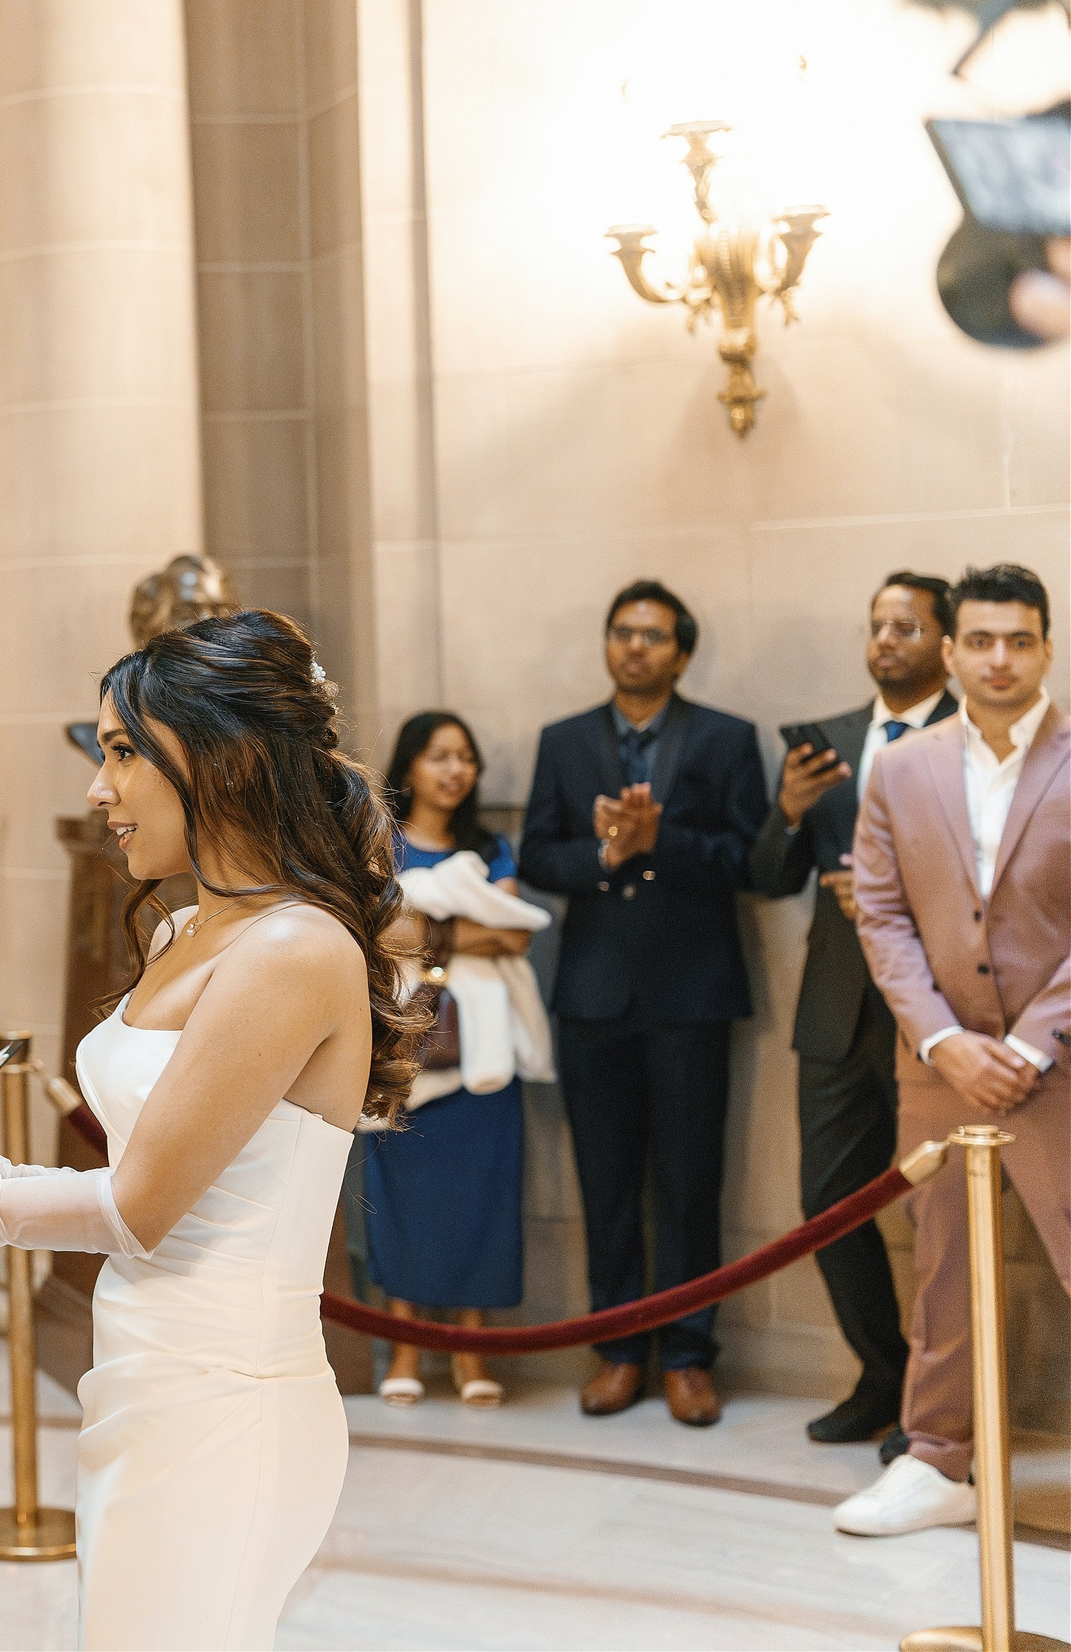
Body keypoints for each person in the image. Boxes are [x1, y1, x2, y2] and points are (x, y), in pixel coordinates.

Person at [0, 610, 416, 1651]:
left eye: (121, 752)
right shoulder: (186, 928)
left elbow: (133, 1209)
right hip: (146, 1381)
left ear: (219, 758)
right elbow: (160, 1176)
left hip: (226, 1406)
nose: (95, 788)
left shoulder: (292, 949)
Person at [838, 562, 1069, 1538]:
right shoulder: (900, 767)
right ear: (951, 650)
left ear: (1046, 647)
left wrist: (1029, 1044)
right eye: (979, 640)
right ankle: (936, 1459)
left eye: (1018, 640)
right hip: (938, 1068)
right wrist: (941, 1039)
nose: (998, 658)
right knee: (942, 1270)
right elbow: (880, 912)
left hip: (1060, 1065)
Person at [517, 582, 764, 1428]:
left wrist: (663, 842)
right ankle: (619, 1350)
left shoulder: (727, 738)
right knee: (606, 1181)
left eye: (653, 636)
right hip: (592, 995)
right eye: (621, 631)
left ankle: (689, 1356)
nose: (634, 646)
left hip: (692, 994)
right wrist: (603, 854)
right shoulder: (564, 740)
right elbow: (538, 856)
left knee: (691, 1185)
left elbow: (750, 858)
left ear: (681, 653)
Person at [747, 572, 956, 1451]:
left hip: (940, 1016)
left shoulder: (973, 734)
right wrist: (789, 813)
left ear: (946, 642)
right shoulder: (827, 744)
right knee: (828, 1205)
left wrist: (889, 896)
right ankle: (883, 1376)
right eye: (877, 625)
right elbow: (768, 878)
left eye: (907, 626)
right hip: (837, 1012)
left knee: (946, 1215)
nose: (887, 640)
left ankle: (942, 1406)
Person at [366, 712, 535, 1411]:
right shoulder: (377, 842)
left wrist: (425, 929)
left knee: (481, 1197)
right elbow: (376, 930)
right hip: (401, 1042)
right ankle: (405, 1347)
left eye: (466, 757)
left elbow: (515, 937)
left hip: (483, 1048)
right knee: (399, 1191)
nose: (455, 769)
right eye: (439, 756)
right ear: (409, 765)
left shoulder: (489, 847)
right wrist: (462, 929)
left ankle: (472, 1350)